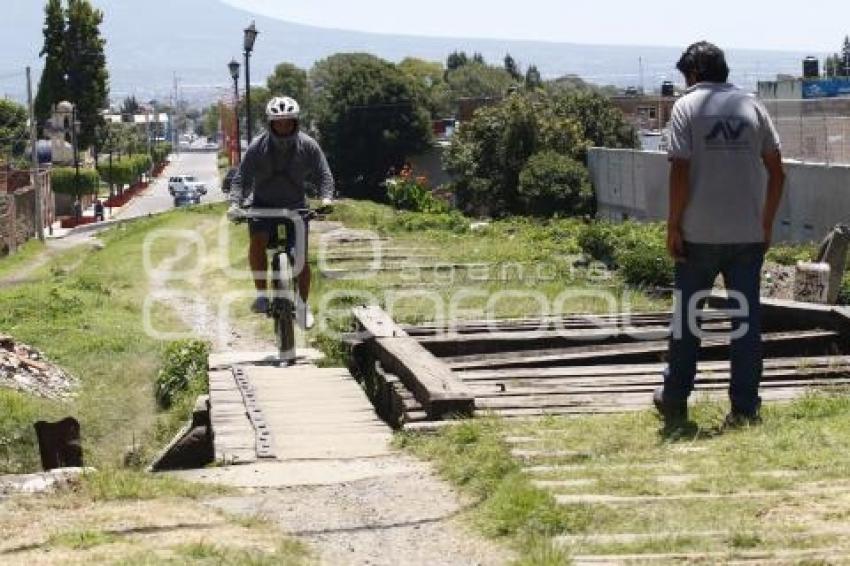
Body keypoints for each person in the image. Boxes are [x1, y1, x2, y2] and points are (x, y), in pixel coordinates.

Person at [653, 41, 786, 427]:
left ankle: (675, 399)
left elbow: (679, 168)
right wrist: (766, 223)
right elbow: (778, 171)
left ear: (693, 75)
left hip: (698, 235)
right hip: (747, 235)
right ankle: (745, 410)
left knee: (688, 321)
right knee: (746, 325)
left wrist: (674, 224)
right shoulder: (752, 106)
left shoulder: (687, 107)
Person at [227, 96, 334, 329]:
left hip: (296, 207)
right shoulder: (258, 146)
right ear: (270, 123)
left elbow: (323, 174)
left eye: (288, 122)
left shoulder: (308, 145)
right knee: (257, 241)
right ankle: (262, 296)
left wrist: (326, 197)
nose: (283, 126)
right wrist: (235, 203)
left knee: (301, 257)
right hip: (263, 206)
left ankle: (303, 306)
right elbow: (242, 177)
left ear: (295, 122)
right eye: (278, 122)